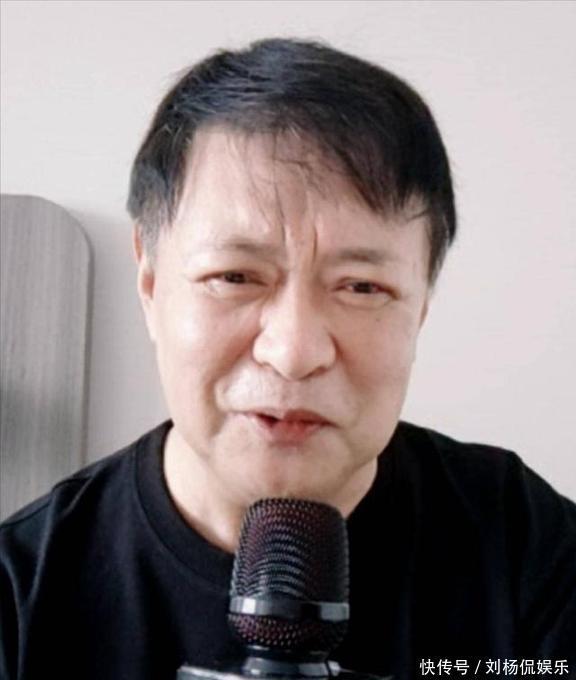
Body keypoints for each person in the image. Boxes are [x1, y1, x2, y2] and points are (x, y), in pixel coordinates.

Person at [1, 38, 575, 680]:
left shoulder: (527, 549)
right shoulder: (21, 598)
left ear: (421, 307)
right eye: (234, 276)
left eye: (362, 287)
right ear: (152, 282)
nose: (295, 352)